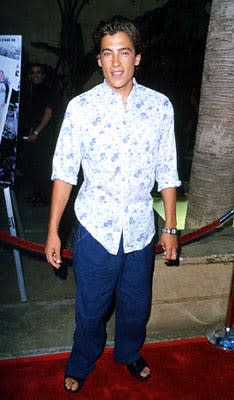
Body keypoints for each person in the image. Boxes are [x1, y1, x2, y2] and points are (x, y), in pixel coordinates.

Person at [45, 16, 181, 393]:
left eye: (124, 52)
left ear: (137, 57)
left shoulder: (159, 107)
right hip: (94, 228)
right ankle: (82, 361)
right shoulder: (80, 108)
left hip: (140, 229)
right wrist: (54, 230)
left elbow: (167, 170)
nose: (116, 62)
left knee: (136, 308)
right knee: (90, 310)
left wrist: (170, 228)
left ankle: (128, 353)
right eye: (108, 53)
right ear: (99, 60)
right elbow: (64, 172)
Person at [19, 63, 55, 203]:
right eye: (33, 72)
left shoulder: (48, 91)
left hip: (43, 134)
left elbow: (48, 113)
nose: (35, 75)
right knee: (32, 166)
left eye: (38, 72)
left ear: (43, 75)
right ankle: (37, 195)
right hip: (32, 133)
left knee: (43, 166)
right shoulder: (29, 91)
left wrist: (36, 132)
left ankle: (45, 198)